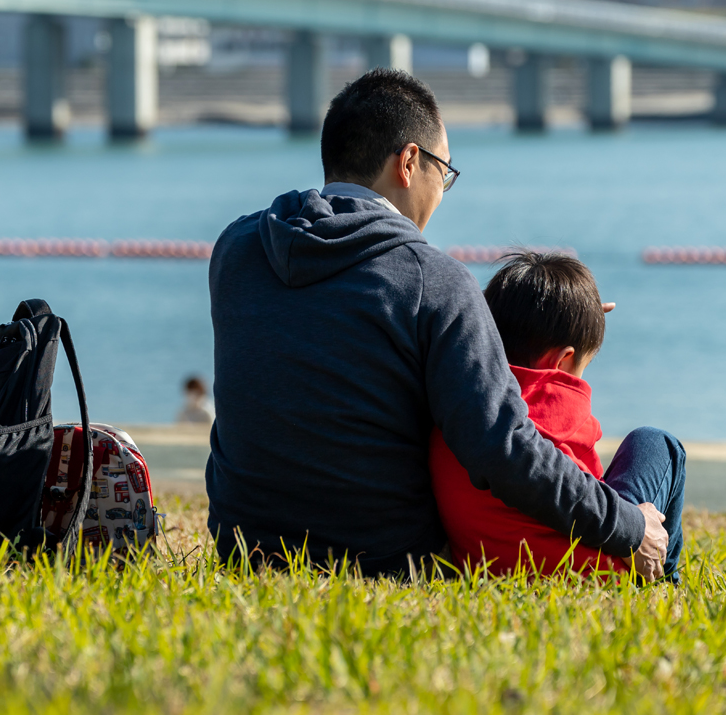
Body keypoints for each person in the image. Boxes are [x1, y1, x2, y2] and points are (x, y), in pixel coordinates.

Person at [206, 68, 669, 579]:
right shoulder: (433, 280)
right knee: (657, 457)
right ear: (408, 162)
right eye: (444, 171)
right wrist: (626, 526)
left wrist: (560, 318)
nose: (443, 190)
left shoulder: (237, 249)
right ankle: (659, 583)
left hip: (243, 550)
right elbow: (505, 450)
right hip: (380, 562)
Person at [429, 251, 686, 581]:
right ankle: (663, 578)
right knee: (656, 443)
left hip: (484, 568)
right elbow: (590, 488)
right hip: (593, 570)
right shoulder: (554, 398)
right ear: (562, 361)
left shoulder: (458, 400)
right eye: (584, 366)